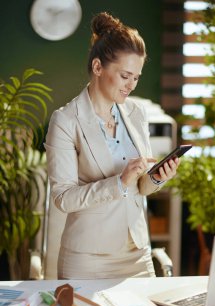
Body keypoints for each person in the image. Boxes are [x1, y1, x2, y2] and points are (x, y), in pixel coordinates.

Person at [45, 12, 179, 279]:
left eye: (137, 77)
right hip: (88, 259)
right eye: (125, 76)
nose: (131, 86)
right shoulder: (65, 121)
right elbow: (63, 198)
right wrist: (119, 182)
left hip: (137, 253)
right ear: (98, 68)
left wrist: (157, 178)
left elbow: (140, 186)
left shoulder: (136, 113)